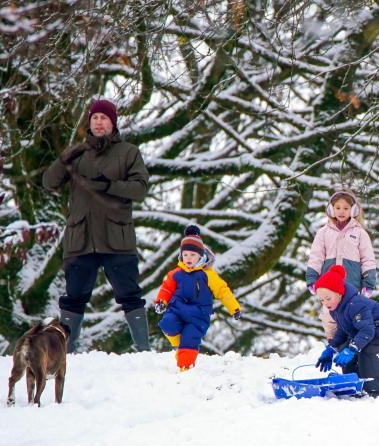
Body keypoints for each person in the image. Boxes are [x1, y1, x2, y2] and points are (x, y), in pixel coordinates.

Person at [43, 99, 150, 353]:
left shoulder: (128, 152)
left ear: (113, 123)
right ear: (88, 123)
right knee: (73, 298)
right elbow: (49, 182)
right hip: (81, 238)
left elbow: (140, 188)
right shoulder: (77, 154)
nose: (99, 122)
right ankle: (66, 352)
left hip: (117, 238)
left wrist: (110, 186)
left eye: (104, 118)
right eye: (95, 118)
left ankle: (143, 350)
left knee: (130, 294)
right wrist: (63, 159)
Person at [153, 225, 241, 371]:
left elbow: (223, 291)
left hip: (198, 316)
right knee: (167, 324)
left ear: (201, 256)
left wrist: (234, 308)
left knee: (190, 340)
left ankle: (185, 369)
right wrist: (161, 302)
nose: (188, 258)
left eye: (193, 255)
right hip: (177, 310)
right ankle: (179, 347)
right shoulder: (175, 273)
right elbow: (166, 288)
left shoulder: (208, 275)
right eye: (185, 254)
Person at [313, 265, 379, 397]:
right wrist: (331, 349)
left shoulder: (356, 304)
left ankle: (374, 389)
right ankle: (353, 385)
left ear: (339, 293)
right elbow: (343, 330)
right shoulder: (336, 309)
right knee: (345, 350)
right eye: (321, 300)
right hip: (363, 330)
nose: (325, 303)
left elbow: (367, 331)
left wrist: (352, 349)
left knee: (365, 351)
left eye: (328, 298)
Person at [306, 189, 377, 340]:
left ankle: (352, 343)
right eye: (338, 207)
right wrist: (312, 279)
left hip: (351, 285)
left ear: (354, 210)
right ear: (331, 209)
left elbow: (368, 259)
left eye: (346, 208)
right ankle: (333, 342)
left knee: (352, 314)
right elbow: (316, 257)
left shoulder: (360, 233)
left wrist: (368, 283)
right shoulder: (323, 233)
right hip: (329, 287)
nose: (341, 211)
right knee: (329, 315)